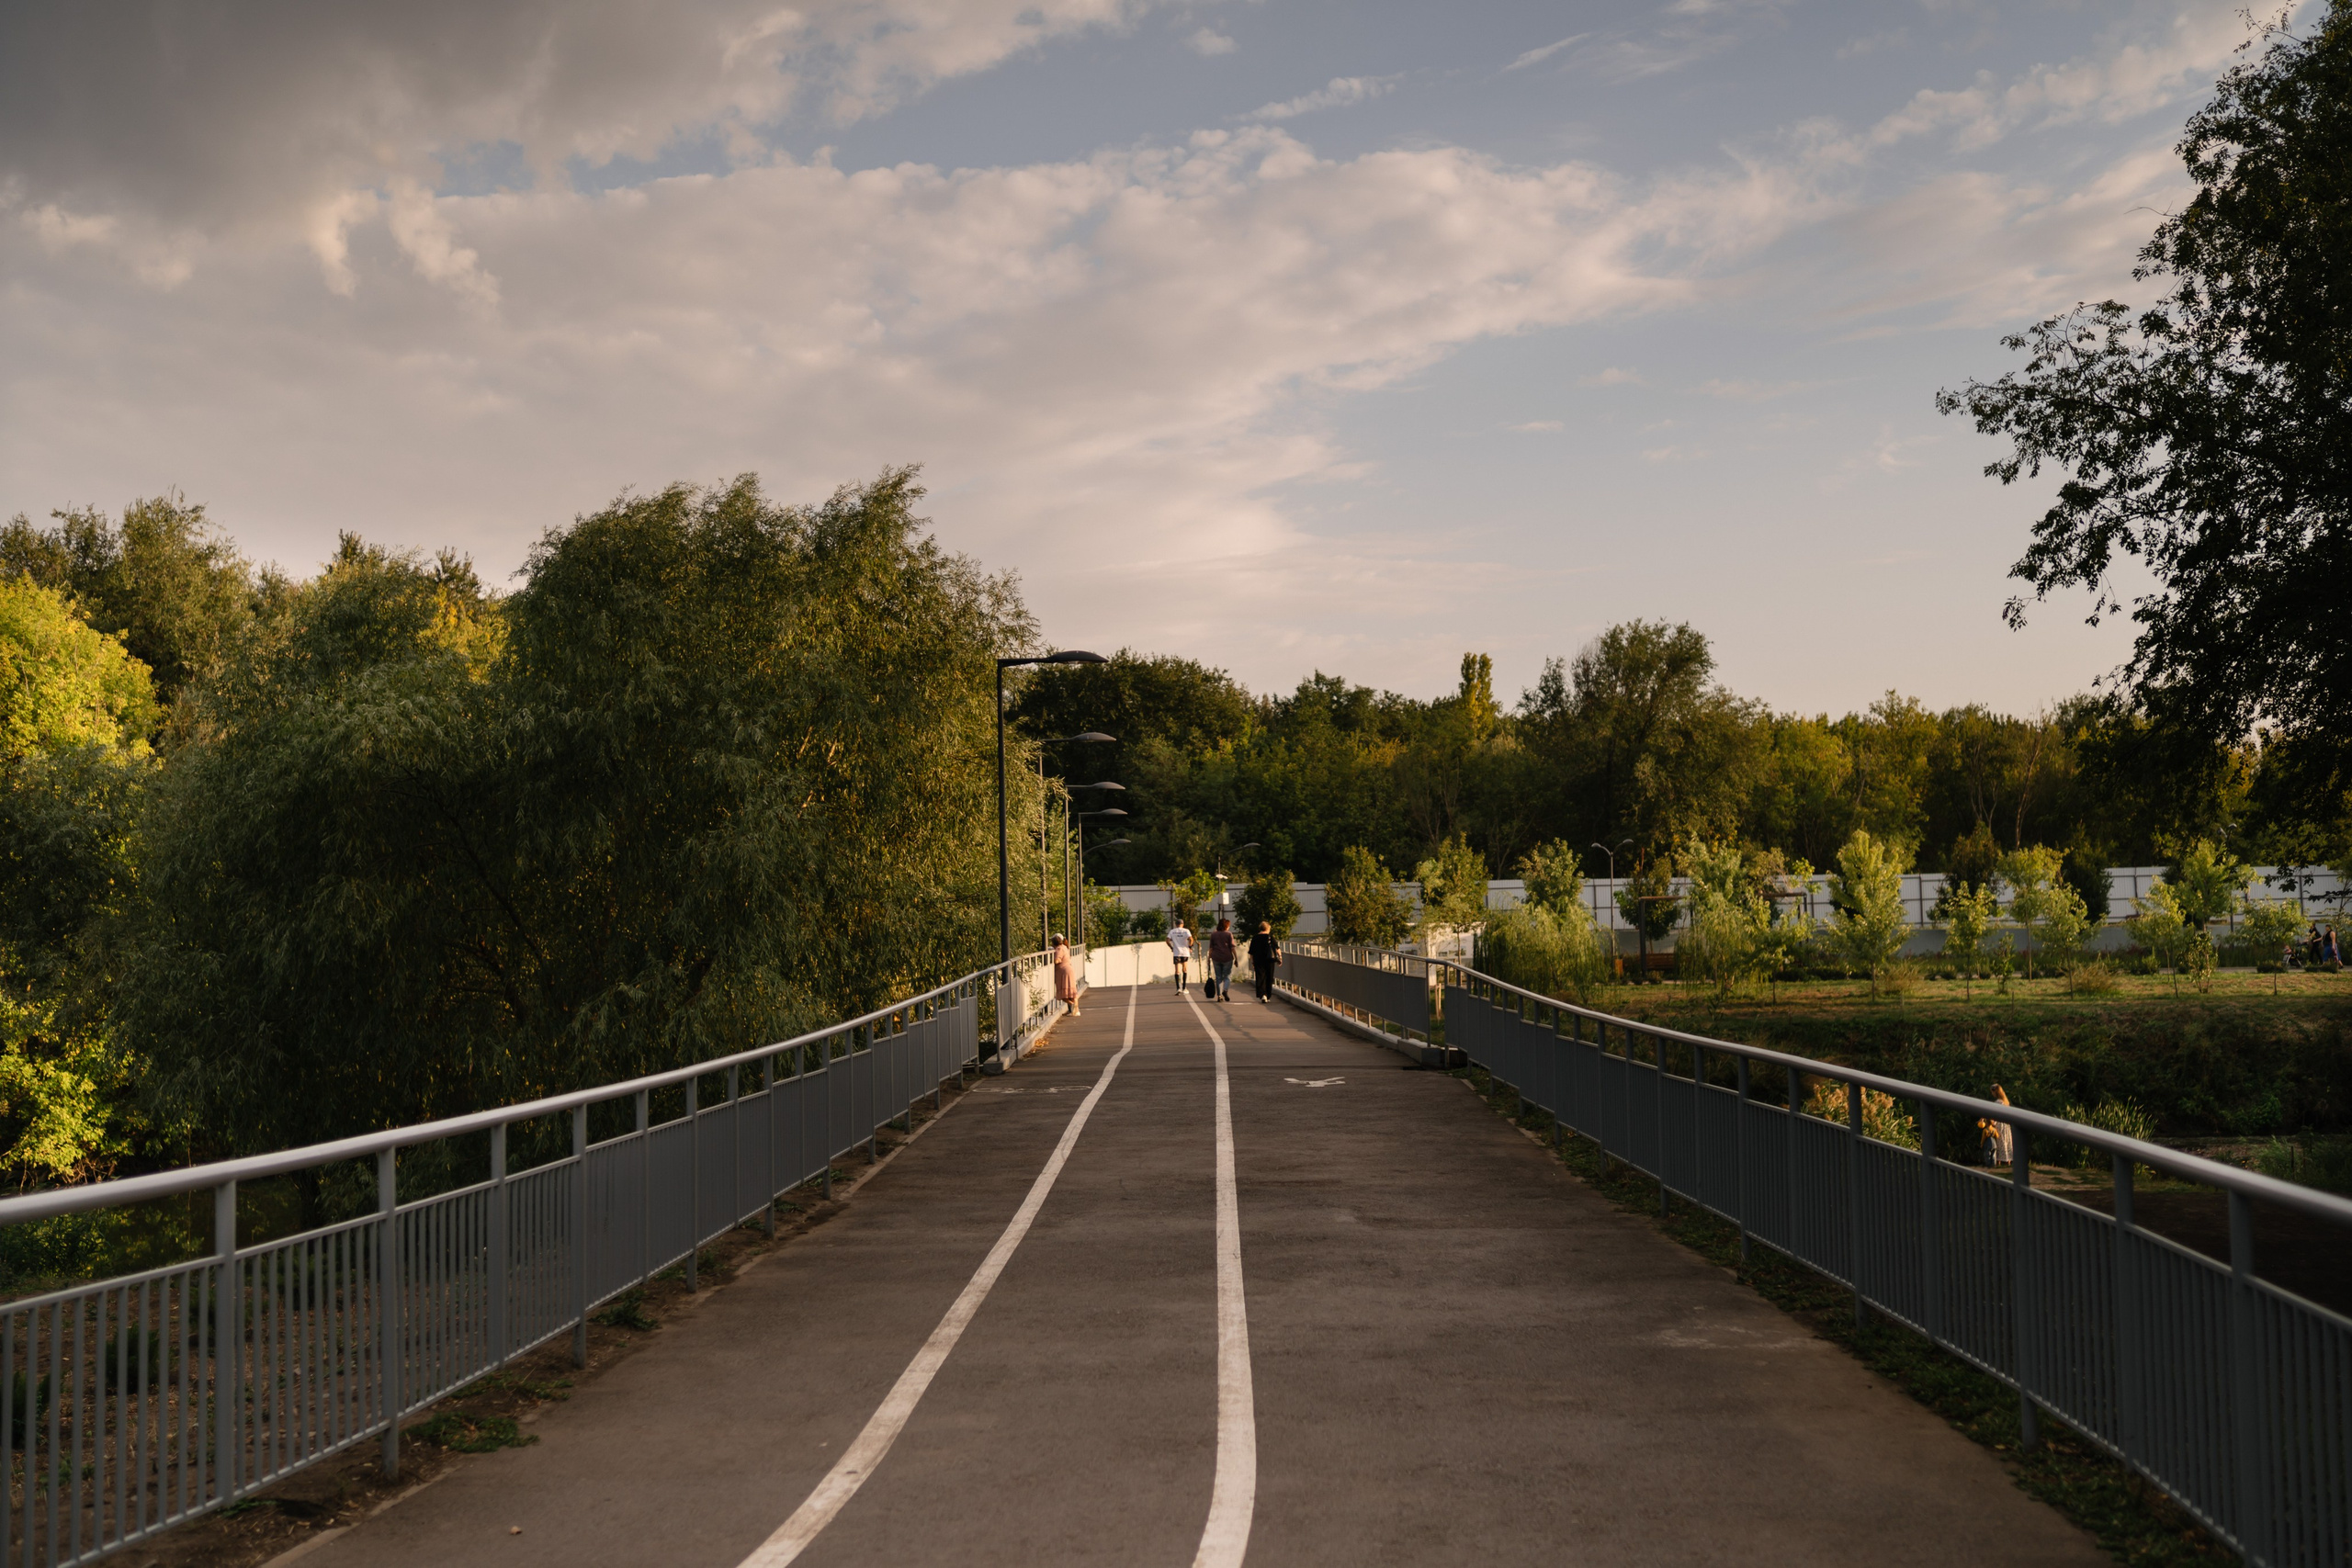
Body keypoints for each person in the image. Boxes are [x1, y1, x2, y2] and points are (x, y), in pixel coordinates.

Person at [1247, 920, 1281, 1002]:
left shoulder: (1255, 938)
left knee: (1260, 977)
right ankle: (1268, 995)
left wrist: (1253, 962)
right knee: (1269, 977)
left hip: (1258, 960)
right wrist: (1280, 957)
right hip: (1270, 960)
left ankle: (1263, 995)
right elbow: (1277, 948)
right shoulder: (1270, 937)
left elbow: (1251, 952)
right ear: (1268, 928)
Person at [1051, 934, 1080, 1018]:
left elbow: (1057, 961)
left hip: (1063, 972)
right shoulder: (1064, 947)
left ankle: (1075, 1006)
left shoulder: (1059, 949)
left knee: (1064, 995)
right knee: (1071, 992)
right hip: (1069, 969)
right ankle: (1075, 1009)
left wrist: (1051, 959)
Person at [1208, 917, 1238, 1003]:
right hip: (1227, 957)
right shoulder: (1229, 934)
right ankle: (1225, 990)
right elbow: (1232, 948)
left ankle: (1219, 996)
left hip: (1216, 957)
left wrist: (1209, 958)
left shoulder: (1214, 934)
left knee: (1218, 977)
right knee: (1227, 976)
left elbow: (1211, 948)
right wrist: (1236, 958)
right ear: (1226, 926)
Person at [1168, 918, 1193, 989]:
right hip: (1185, 952)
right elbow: (1191, 939)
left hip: (1176, 952)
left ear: (1176, 924)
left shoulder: (1172, 931)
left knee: (1177, 971)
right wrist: (1190, 947)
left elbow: (1167, 940)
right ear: (1183, 924)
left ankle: (1178, 988)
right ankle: (1184, 987)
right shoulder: (1186, 931)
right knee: (1184, 969)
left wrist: (1171, 948)